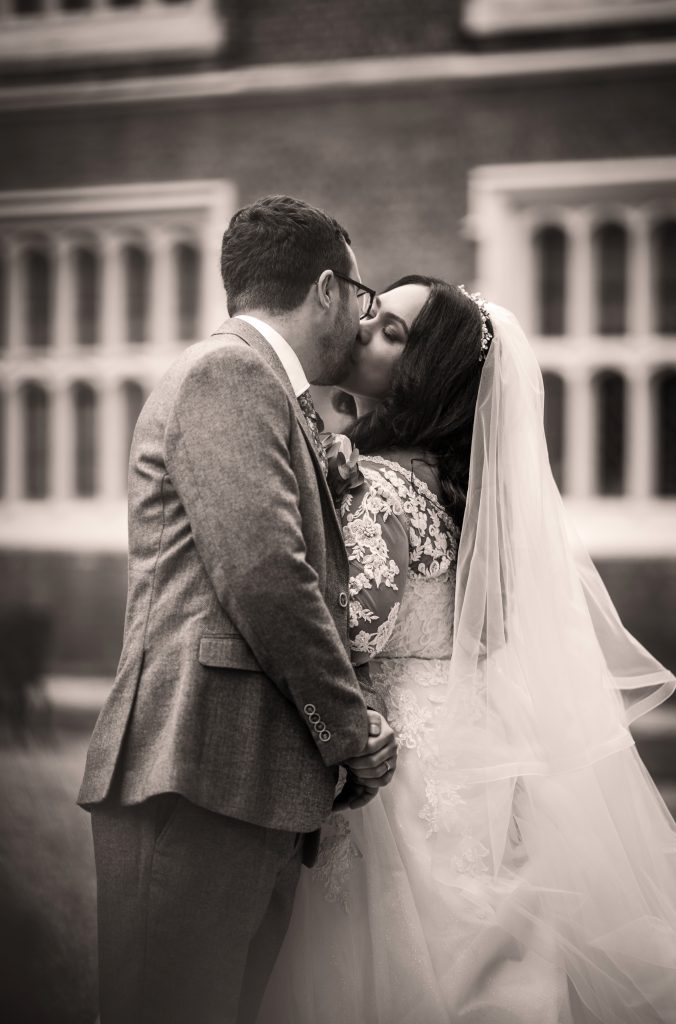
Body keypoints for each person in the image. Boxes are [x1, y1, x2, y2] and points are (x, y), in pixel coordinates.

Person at [258, 275, 676, 1023]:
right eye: (372, 314)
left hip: (395, 768)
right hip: (467, 747)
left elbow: (351, 632)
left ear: (426, 377)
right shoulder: (452, 491)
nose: (362, 330)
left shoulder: (383, 488)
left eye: (390, 332)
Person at [77, 195, 398, 1024]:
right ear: (327, 288)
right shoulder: (228, 372)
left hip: (242, 781)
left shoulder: (256, 384)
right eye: (363, 301)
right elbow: (265, 575)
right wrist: (350, 730)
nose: (364, 324)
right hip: (198, 771)